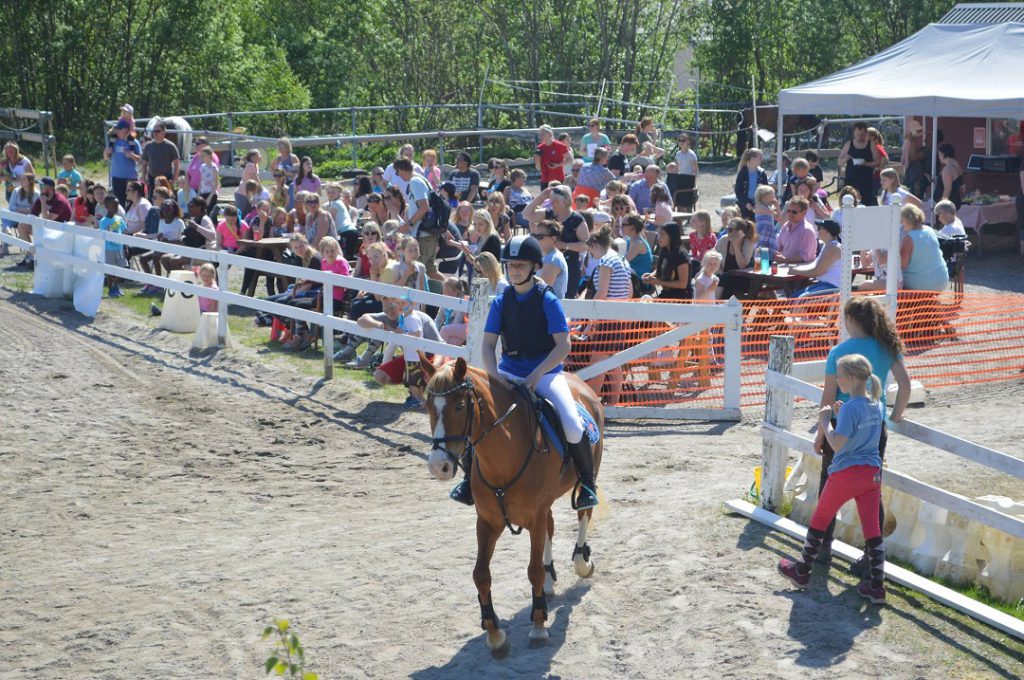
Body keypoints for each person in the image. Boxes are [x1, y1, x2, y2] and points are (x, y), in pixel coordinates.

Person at [448, 235, 598, 510]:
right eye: (511, 265)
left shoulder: (547, 300)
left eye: (520, 265)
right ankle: (469, 480)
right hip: (508, 372)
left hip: (546, 374)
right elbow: (488, 345)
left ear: (534, 266)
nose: (514, 270)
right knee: (477, 416)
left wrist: (537, 374)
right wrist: (496, 377)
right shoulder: (501, 301)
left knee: (572, 424)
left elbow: (563, 345)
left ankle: (587, 483)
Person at [778, 353, 888, 604]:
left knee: (820, 519)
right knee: (873, 529)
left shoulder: (850, 408)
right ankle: (877, 587)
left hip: (846, 473)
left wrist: (826, 421)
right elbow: (860, 429)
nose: (837, 380)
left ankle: (802, 571)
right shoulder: (877, 405)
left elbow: (837, 444)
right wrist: (841, 413)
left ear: (850, 378)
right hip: (871, 475)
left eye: (839, 376)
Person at [812, 297, 910, 570]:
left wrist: (821, 433)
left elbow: (828, 396)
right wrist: (894, 416)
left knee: (829, 484)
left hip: (842, 425)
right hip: (874, 426)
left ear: (851, 320)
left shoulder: (839, 352)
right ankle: (872, 555)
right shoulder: (887, 347)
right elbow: (905, 385)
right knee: (871, 488)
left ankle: (823, 547)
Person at [357, 287, 441, 409]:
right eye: (386, 310)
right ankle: (416, 397)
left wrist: (434, 367)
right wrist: (380, 325)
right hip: (411, 356)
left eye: (394, 306)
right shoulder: (391, 317)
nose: (390, 312)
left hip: (429, 357)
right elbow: (361, 320)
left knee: (416, 378)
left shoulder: (418, 318)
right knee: (384, 376)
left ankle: (422, 397)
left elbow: (440, 348)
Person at [582, 226, 632, 404]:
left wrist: (590, 318)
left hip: (607, 318)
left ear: (595, 245)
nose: (591, 255)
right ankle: (613, 404)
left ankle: (591, 404)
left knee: (597, 363)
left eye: (590, 250)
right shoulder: (622, 260)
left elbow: (601, 293)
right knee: (614, 362)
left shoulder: (605, 261)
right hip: (619, 317)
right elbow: (629, 291)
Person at [523, 185, 589, 294]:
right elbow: (526, 215)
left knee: (566, 298)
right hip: (547, 262)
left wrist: (565, 245)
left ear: (566, 201)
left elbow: (587, 245)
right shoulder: (549, 214)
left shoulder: (577, 220)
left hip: (570, 264)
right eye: (551, 200)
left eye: (556, 201)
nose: (552, 203)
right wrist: (541, 197)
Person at [395, 157, 443, 283]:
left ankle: (455, 291)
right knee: (431, 271)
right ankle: (456, 290)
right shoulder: (422, 179)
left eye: (397, 173)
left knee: (415, 272)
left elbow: (424, 207)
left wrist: (409, 224)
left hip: (423, 236)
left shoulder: (415, 182)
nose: (399, 176)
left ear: (401, 170)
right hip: (429, 234)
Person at [789, 220, 843, 298]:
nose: (817, 230)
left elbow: (817, 271)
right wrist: (796, 268)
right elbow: (814, 266)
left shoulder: (833, 247)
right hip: (825, 285)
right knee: (792, 298)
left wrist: (795, 271)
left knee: (798, 299)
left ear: (826, 231)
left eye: (819, 228)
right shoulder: (828, 245)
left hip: (832, 287)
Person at [900, 204, 949, 291]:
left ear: (908, 220)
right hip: (942, 281)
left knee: (891, 277)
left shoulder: (908, 238)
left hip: (922, 285)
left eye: (902, 220)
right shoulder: (930, 230)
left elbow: (902, 264)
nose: (901, 224)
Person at [138, 198, 185, 284]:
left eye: (168, 208)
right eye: (163, 208)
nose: (165, 210)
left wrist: (169, 242)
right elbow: (160, 235)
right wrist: (160, 237)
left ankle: (158, 283)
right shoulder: (161, 221)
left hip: (174, 249)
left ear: (174, 209)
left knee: (156, 256)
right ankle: (150, 282)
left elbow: (183, 240)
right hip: (162, 247)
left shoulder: (179, 222)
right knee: (143, 258)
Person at [643, 221, 690, 300]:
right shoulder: (665, 250)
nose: (659, 238)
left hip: (680, 299)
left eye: (662, 235)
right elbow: (662, 267)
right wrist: (651, 275)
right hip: (666, 294)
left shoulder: (681, 256)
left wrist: (658, 282)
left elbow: (682, 284)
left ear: (671, 236)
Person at [838, 122, 881, 206]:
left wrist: (866, 164)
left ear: (866, 133)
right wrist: (846, 158)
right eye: (857, 134)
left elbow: (878, 162)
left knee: (867, 204)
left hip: (866, 181)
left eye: (862, 135)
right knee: (848, 203)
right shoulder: (849, 144)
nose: (860, 137)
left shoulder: (871, 144)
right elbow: (839, 162)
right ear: (854, 133)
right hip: (851, 180)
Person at [715, 217, 757, 299]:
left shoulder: (748, 243)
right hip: (724, 277)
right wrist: (720, 274)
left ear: (740, 232)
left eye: (730, 230)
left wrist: (737, 247)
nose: (728, 232)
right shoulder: (723, 240)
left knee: (725, 280)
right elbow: (715, 259)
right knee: (722, 279)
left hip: (743, 278)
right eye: (727, 229)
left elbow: (742, 265)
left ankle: (715, 304)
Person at [97, 195, 129, 298]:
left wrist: (125, 246)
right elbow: (102, 236)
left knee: (122, 267)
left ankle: (116, 285)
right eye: (113, 205)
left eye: (117, 205)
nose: (116, 207)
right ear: (107, 206)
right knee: (110, 270)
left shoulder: (119, 219)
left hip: (119, 248)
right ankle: (111, 289)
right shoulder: (103, 221)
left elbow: (124, 232)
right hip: (108, 249)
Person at [104, 121, 142, 205]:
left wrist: (131, 155)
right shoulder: (113, 142)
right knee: (119, 202)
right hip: (117, 177)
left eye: (119, 129)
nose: (117, 131)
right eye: (117, 129)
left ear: (126, 130)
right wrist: (106, 152)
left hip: (131, 178)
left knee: (132, 203)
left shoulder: (134, 142)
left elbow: (141, 159)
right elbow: (106, 158)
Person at [140, 121, 181, 198]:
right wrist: (143, 177)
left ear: (164, 132)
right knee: (153, 200)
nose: (155, 133)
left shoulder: (170, 146)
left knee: (167, 200)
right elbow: (144, 164)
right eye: (154, 131)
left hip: (166, 179)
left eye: (157, 131)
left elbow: (177, 164)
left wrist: (174, 179)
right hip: (152, 180)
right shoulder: (148, 146)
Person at [531, 219, 568, 299]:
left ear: (553, 239)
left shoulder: (552, 260)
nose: (536, 240)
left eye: (540, 237)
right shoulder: (549, 257)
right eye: (534, 236)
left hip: (548, 305)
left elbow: (541, 291)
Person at [775, 197, 817, 264]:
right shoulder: (785, 226)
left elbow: (805, 257)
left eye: (794, 212)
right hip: (786, 266)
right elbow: (779, 247)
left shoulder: (807, 230)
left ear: (804, 213)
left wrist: (785, 259)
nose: (790, 214)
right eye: (788, 211)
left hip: (803, 268)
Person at [733, 148, 768, 219]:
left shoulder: (762, 173)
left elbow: (766, 190)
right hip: (744, 205)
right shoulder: (743, 172)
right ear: (752, 159)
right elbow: (738, 191)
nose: (761, 160)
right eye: (760, 158)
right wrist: (746, 203)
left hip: (759, 205)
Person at [436, 277, 469, 345]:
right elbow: (438, 319)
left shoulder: (460, 304)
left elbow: (457, 321)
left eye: (447, 290)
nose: (444, 293)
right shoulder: (445, 303)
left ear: (456, 292)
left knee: (451, 340)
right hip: (447, 330)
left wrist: (446, 332)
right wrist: (435, 330)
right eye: (443, 290)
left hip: (457, 331)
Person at [621, 214, 653, 278]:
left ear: (632, 227)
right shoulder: (630, 239)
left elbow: (624, 262)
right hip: (631, 274)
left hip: (639, 278)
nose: (621, 227)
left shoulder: (638, 243)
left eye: (623, 225)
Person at [933, 143, 964, 209]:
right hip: (954, 204)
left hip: (948, 207)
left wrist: (941, 207)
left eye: (939, 155)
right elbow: (961, 186)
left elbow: (947, 190)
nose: (939, 157)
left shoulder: (947, 169)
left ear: (943, 154)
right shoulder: (957, 166)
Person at [196, 147, 220, 214]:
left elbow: (216, 184)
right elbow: (201, 181)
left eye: (203, 155)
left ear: (209, 156)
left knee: (209, 212)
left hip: (211, 193)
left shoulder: (214, 168)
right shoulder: (202, 167)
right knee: (202, 212)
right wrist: (198, 194)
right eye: (201, 155)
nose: (202, 157)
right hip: (203, 192)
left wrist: (209, 198)